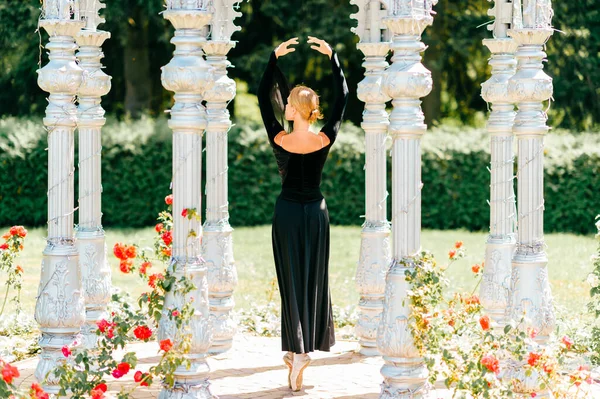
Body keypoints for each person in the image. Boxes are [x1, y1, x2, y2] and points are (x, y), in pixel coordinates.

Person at [257, 36, 349, 391]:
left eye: (290, 104)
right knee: (313, 280)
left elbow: (266, 97)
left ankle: (297, 354)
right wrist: (334, 60)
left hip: (286, 215)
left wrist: (272, 58)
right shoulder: (324, 139)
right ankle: (301, 353)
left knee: (291, 283)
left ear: (294, 110)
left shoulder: (279, 138)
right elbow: (342, 99)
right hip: (316, 214)